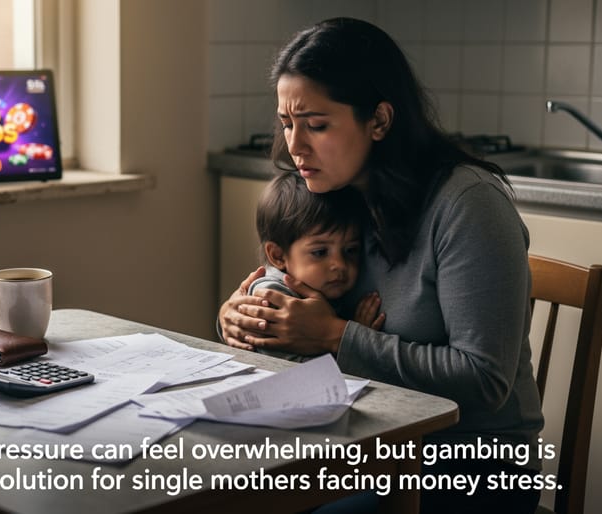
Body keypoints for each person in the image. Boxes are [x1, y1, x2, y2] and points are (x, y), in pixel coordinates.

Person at [217, 17, 544, 514]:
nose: (295, 147)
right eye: (287, 124)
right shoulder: (338, 193)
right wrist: (242, 318)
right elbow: (292, 294)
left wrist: (334, 336)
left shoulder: (469, 205)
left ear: (380, 120)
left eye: (317, 125)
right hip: (367, 437)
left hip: (476, 462)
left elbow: (484, 383)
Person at [249, 170, 385, 362]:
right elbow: (297, 376)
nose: (339, 264)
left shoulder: (327, 289)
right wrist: (352, 340)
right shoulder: (273, 297)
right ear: (278, 256)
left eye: (351, 250)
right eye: (320, 252)